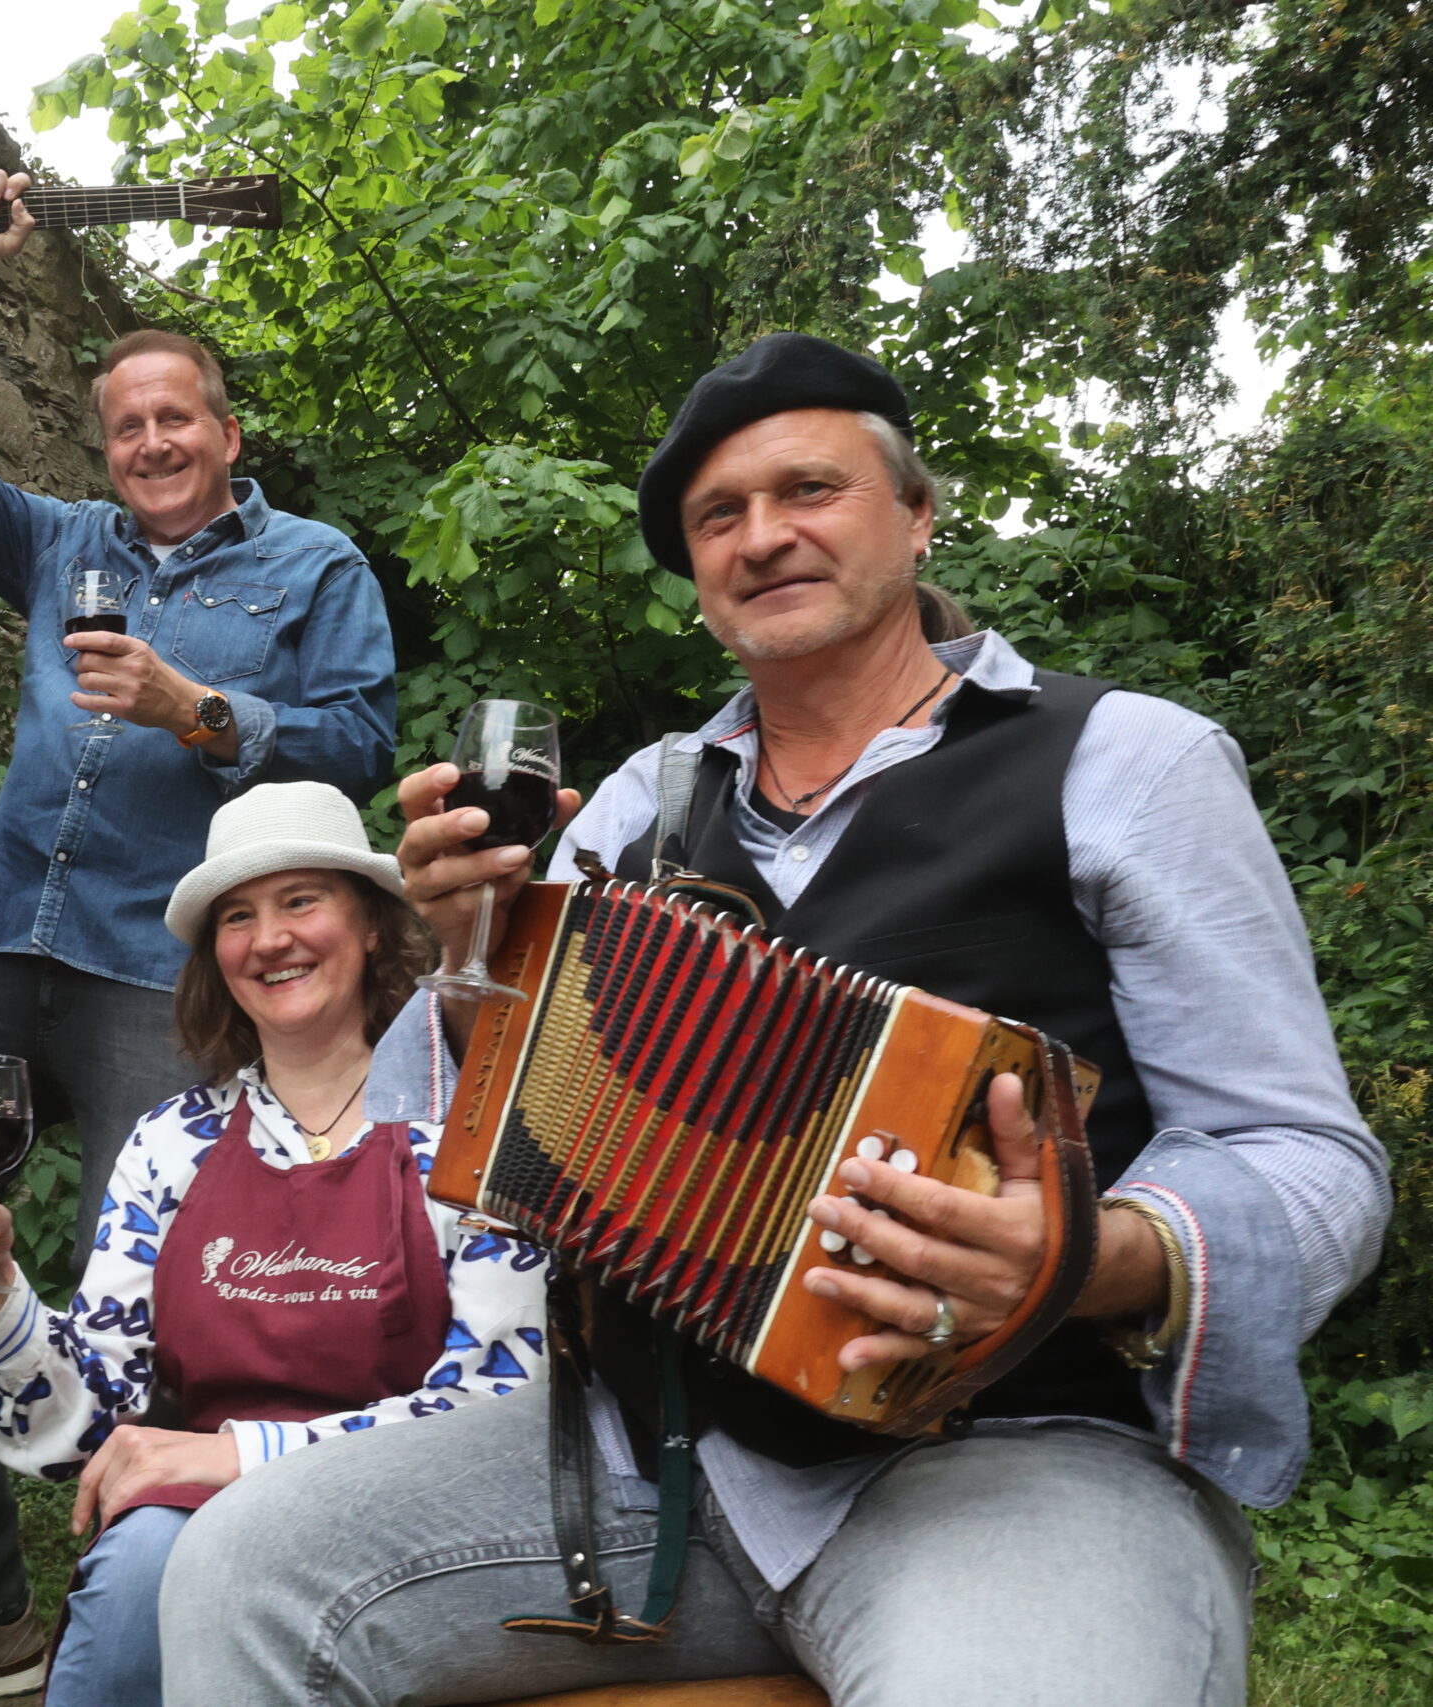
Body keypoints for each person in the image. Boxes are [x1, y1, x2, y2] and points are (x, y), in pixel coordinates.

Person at [157, 334, 1390, 1705]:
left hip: (1017, 1452)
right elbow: (448, 1140)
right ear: (694, 577)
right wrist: (464, 957)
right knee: (237, 1571)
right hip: (652, 1452)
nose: (763, 535)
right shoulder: (635, 804)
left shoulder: (1128, 761)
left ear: (917, 515)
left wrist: (1084, 1255)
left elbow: (1309, 1157)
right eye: (718, 516)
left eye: (811, 488)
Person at [0, 171, 400, 1699]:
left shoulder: (314, 568)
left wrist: (197, 708)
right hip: (1, 940)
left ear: (228, 433)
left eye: (178, 418)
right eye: (127, 425)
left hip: (156, 968)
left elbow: (359, 739)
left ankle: (137, 1597)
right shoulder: (60, 543)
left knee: (145, 1298)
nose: (151, 443)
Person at [0, 781, 548, 1707]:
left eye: (300, 900)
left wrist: (244, 1456)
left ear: (371, 926)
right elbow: (88, 1430)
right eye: (238, 916)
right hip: (198, 1508)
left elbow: (500, 1401)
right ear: (218, 958)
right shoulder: (176, 1139)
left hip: (419, 1521)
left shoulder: (468, 1124)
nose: (270, 938)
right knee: (138, 1572)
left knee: (194, 1552)